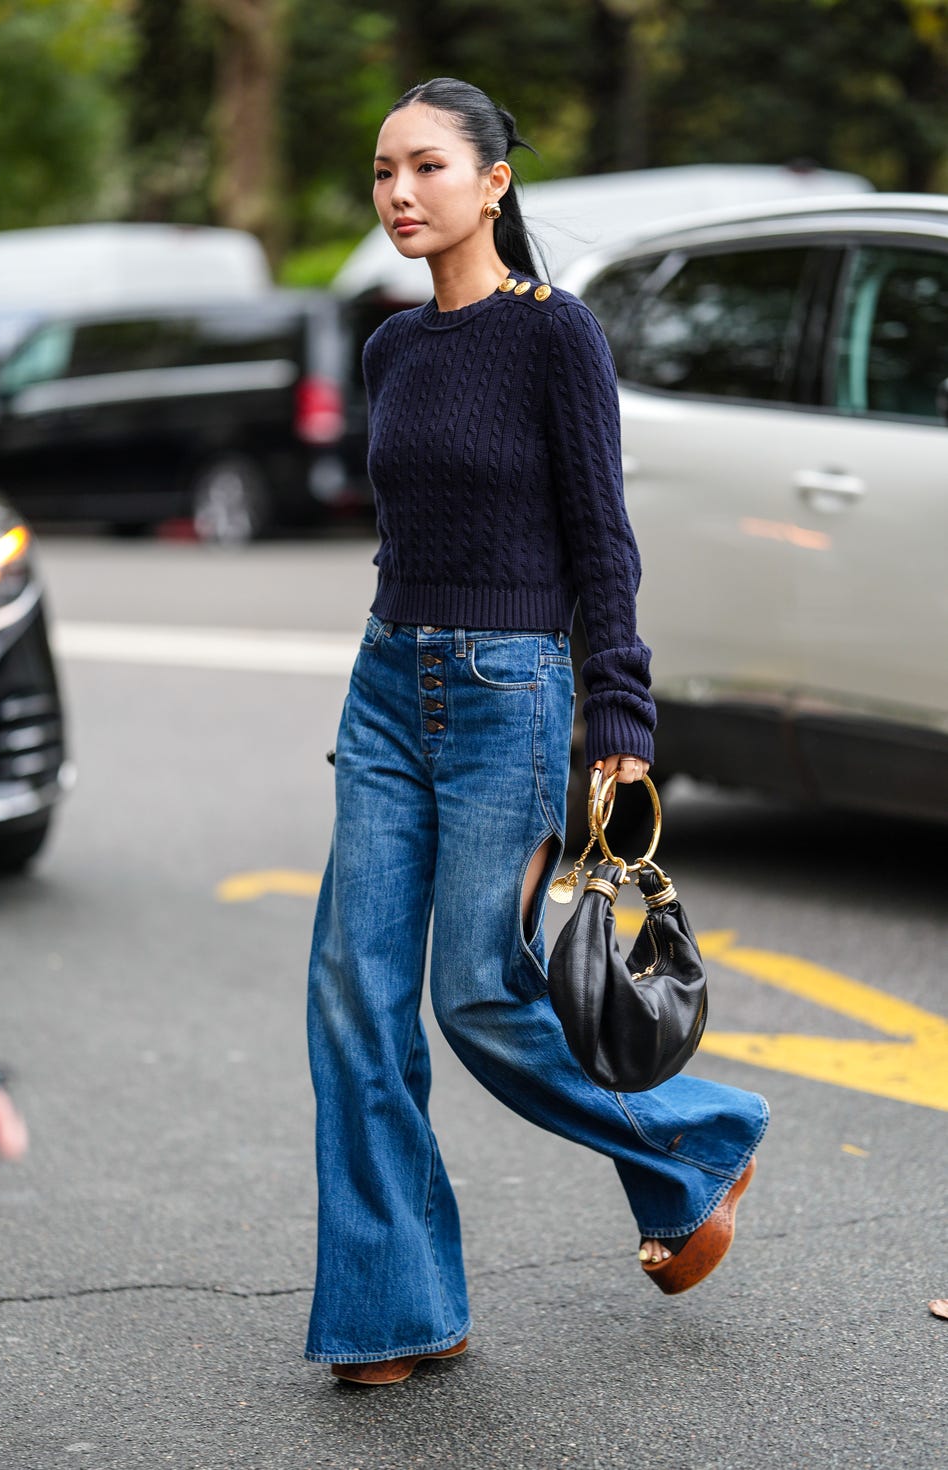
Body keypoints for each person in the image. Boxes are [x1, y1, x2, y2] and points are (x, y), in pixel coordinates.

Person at [305, 77, 768, 1385]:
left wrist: (618, 714)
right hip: (389, 682)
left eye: (428, 167)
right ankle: (397, 1304)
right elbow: (409, 536)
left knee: (477, 990)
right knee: (350, 1001)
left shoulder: (559, 336)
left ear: (494, 180)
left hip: (511, 694)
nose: (399, 192)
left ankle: (700, 1137)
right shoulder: (392, 348)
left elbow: (600, 539)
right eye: (383, 171)